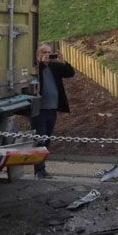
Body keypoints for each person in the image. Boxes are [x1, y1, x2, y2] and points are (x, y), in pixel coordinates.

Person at [31, 44, 75, 179]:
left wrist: (63, 62)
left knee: (47, 139)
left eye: (50, 53)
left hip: (52, 109)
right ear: (38, 53)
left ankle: (42, 168)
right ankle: (39, 170)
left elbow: (70, 73)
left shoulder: (54, 67)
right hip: (39, 110)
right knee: (40, 139)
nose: (48, 55)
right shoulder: (35, 68)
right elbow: (38, 77)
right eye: (45, 52)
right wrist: (42, 63)